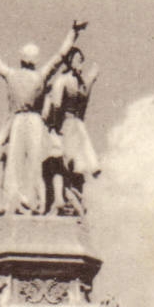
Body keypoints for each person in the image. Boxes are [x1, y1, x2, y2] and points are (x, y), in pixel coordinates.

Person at [0, 20, 85, 215]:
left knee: (15, 163)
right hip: (33, 122)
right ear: (34, 60)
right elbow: (60, 56)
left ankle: (13, 202)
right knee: (33, 163)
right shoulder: (40, 75)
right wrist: (73, 32)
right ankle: (33, 203)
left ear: (21, 60)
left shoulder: (12, 74)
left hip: (19, 122)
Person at [42, 47, 100, 215]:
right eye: (76, 60)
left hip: (75, 125)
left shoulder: (77, 81)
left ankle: (75, 200)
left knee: (76, 165)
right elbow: (57, 104)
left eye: (81, 61)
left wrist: (91, 80)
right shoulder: (64, 80)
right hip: (66, 125)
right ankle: (68, 201)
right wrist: (54, 125)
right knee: (66, 163)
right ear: (69, 61)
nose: (79, 64)